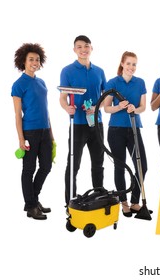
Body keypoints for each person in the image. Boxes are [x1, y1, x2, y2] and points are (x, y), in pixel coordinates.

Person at [59, 35, 106, 205]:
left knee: (98, 164)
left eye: (86, 46)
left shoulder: (99, 71)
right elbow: (62, 97)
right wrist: (67, 108)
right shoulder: (67, 71)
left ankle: (100, 198)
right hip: (77, 124)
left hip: (97, 124)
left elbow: (106, 98)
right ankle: (70, 202)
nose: (83, 49)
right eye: (79, 47)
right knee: (73, 164)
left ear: (91, 48)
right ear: (74, 50)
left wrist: (96, 107)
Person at [12, 43, 53, 220]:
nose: (34, 62)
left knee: (46, 166)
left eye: (37, 59)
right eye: (31, 59)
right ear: (23, 61)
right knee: (29, 169)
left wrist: (52, 133)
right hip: (30, 132)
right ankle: (31, 206)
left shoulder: (41, 82)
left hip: (45, 131)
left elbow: (46, 109)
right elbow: (17, 114)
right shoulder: (19, 85)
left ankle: (33, 200)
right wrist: (21, 139)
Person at [103, 51, 148, 217]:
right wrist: (119, 107)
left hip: (134, 128)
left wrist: (135, 109)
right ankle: (124, 202)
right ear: (122, 63)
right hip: (116, 130)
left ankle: (135, 201)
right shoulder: (112, 83)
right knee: (120, 166)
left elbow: (143, 107)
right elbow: (106, 108)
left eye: (134, 64)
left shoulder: (140, 82)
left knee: (142, 165)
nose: (131, 67)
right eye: (128, 63)